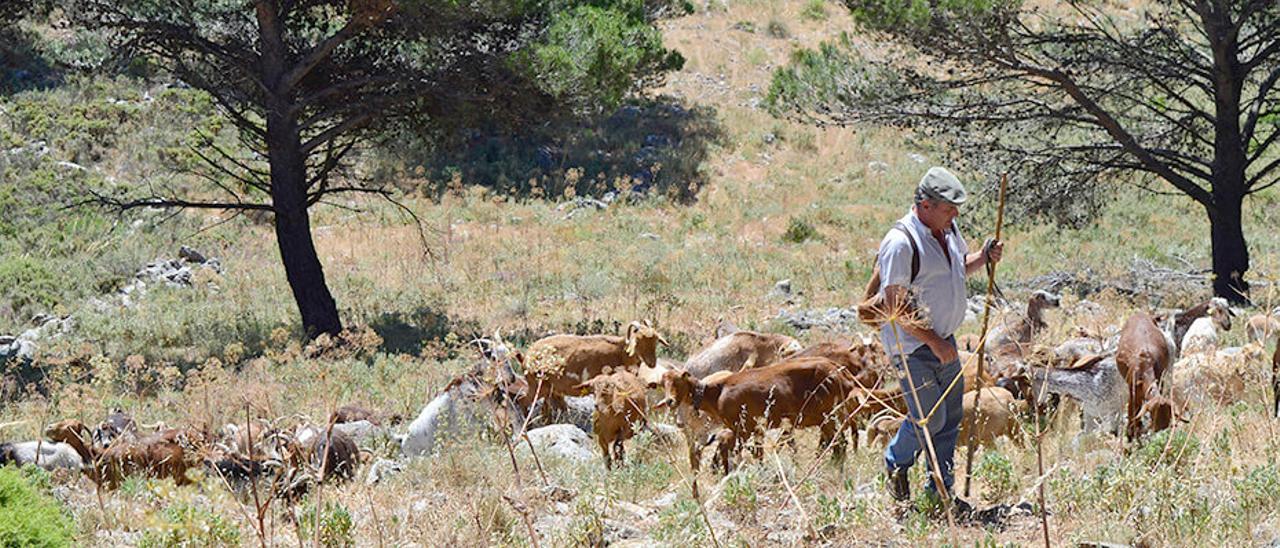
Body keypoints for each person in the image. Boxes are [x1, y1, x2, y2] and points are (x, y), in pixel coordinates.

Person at [877, 166, 1004, 511]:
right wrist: (934, 341)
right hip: (913, 346)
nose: (955, 215)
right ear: (926, 204)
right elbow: (894, 308)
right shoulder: (901, 243)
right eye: (949, 208)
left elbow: (958, 267)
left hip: (944, 340)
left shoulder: (946, 229)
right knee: (928, 417)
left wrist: (984, 257)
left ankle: (940, 492)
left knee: (949, 417)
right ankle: (895, 463)